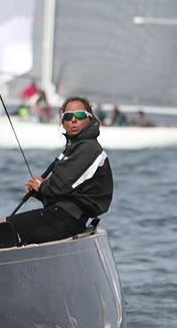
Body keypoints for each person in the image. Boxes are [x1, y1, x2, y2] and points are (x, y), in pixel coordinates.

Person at [6, 96, 113, 245]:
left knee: (5, 228)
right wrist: (40, 192)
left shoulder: (88, 148)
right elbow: (67, 191)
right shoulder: (76, 147)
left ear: (89, 118)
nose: (73, 120)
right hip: (61, 215)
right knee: (3, 226)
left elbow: (61, 185)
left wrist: (42, 186)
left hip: (68, 220)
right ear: (63, 122)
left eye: (80, 115)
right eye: (68, 116)